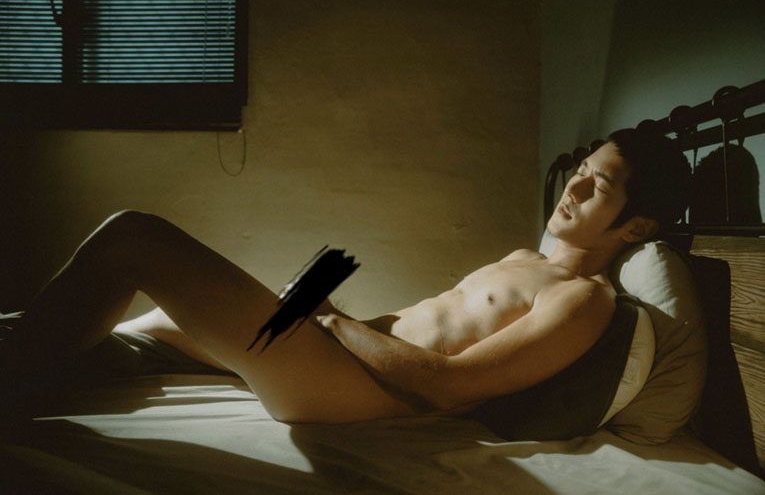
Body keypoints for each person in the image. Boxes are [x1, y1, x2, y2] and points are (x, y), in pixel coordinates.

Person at [1, 127, 690, 429]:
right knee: (149, 327)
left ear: (636, 229)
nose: (573, 188)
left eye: (599, 188)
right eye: (580, 172)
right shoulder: (522, 259)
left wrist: (328, 318)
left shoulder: (584, 300)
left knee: (133, 238)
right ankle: (28, 357)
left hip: (358, 394)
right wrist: (322, 310)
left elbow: (450, 385)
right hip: (340, 353)